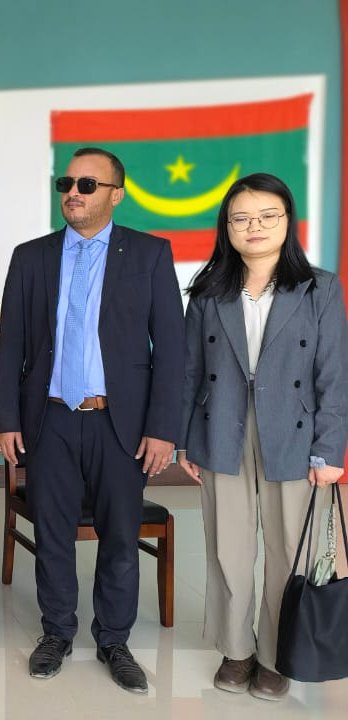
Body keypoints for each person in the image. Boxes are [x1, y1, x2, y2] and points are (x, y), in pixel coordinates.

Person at [0, 148, 186, 693]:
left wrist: (164, 427)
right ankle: (56, 632)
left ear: (115, 194)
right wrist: (6, 418)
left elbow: (170, 348)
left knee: (120, 537)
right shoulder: (31, 257)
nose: (72, 193)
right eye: (66, 183)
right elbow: (11, 347)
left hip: (119, 424)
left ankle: (114, 640)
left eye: (86, 184)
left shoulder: (148, 254)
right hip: (49, 420)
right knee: (52, 534)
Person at [177, 172, 347, 701]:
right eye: (241, 218)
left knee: (284, 549)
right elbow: (187, 369)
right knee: (228, 548)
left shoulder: (319, 286)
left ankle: (275, 654)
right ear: (226, 227)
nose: (254, 227)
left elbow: (333, 372)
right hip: (221, 427)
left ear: (286, 222)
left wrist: (329, 448)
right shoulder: (209, 290)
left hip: (294, 435)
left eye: (266, 216)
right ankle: (237, 650)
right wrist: (184, 440)